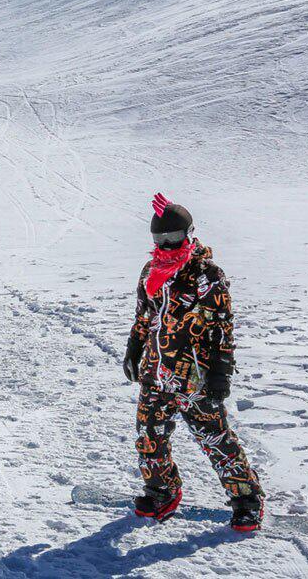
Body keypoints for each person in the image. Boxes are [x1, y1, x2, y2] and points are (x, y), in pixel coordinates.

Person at [122, 193, 264, 532]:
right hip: (156, 373)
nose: (167, 245)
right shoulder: (151, 270)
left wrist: (220, 373)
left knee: (214, 439)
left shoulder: (206, 274)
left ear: (188, 233)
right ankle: (162, 491)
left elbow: (221, 327)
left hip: (193, 375)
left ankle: (246, 500)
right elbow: (146, 314)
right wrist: (134, 345)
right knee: (148, 436)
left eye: (173, 238)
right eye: (160, 239)